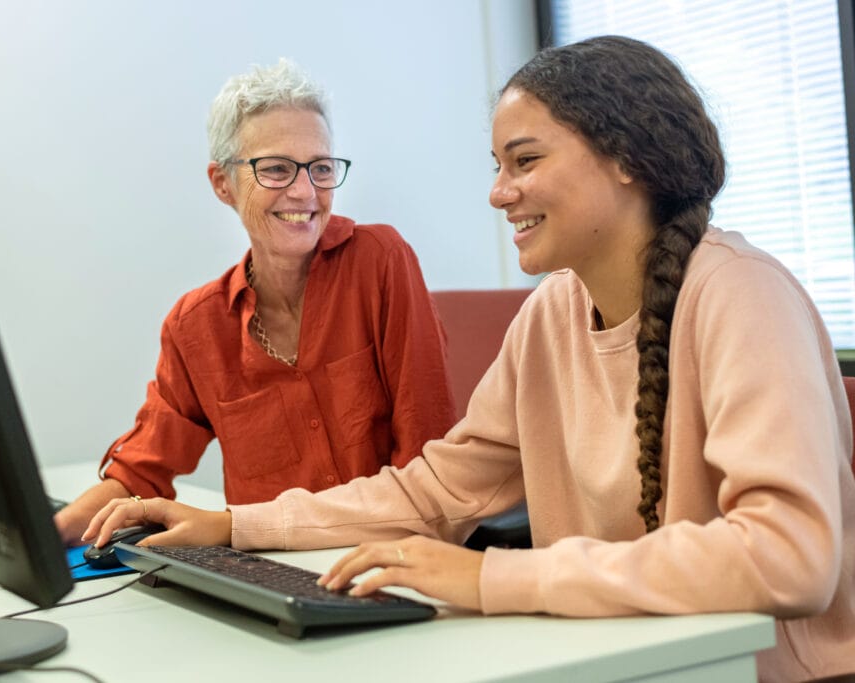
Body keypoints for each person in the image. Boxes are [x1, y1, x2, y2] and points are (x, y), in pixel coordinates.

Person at [83, 37, 855, 681]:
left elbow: (790, 557)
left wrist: (495, 578)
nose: (497, 192)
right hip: (625, 660)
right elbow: (435, 489)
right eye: (496, 164)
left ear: (627, 159)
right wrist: (235, 526)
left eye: (523, 161)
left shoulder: (741, 297)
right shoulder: (552, 314)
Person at [54, 59, 455, 545]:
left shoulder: (379, 262)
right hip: (272, 577)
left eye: (321, 168)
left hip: (388, 559)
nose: (305, 192)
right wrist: (42, 540)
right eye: (277, 169)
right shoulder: (195, 326)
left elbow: (429, 473)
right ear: (223, 183)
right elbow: (139, 473)